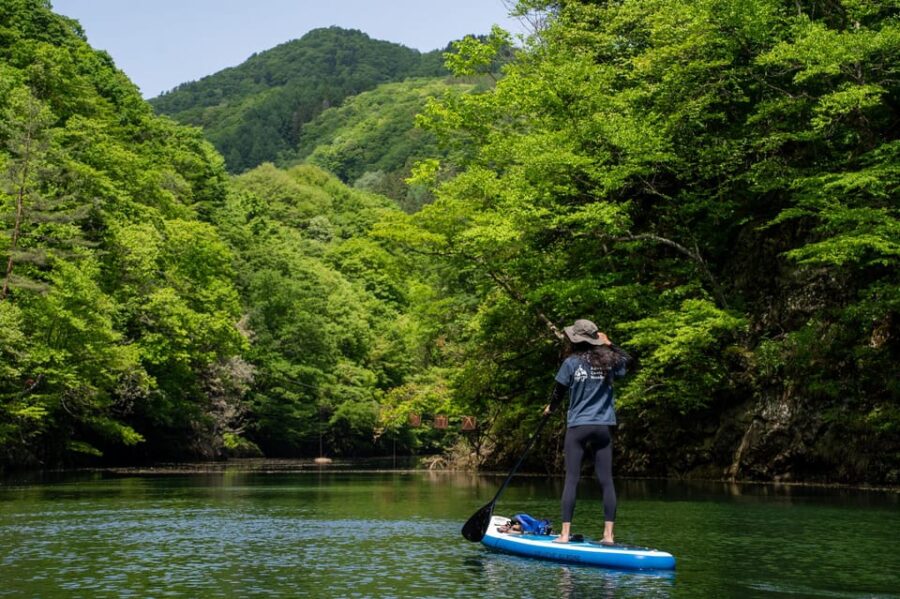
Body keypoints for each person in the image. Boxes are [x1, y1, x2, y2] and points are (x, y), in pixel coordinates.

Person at [543, 318, 632, 544]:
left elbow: (558, 392)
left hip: (578, 427)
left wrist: (550, 409)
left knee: (572, 479)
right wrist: (610, 344)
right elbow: (628, 362)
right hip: (603, 427)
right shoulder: (609, 360)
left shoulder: (570, 363)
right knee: (606, 481)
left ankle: (564, 535)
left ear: (575, 340)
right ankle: (608, 536)